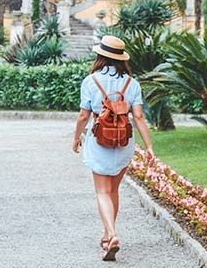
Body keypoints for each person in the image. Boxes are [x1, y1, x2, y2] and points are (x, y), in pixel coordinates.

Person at [72, 35, 154, 261]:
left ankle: (112, 234)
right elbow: (138, 116)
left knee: (101, 191)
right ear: (121, 59)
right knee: (114, 190)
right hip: (123, 143)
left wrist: (76, 138)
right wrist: (148, 146)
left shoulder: (91, 81)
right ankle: (108, 235)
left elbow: (83, 116)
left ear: (100, 56)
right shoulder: (132, 83)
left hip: (99, 140)